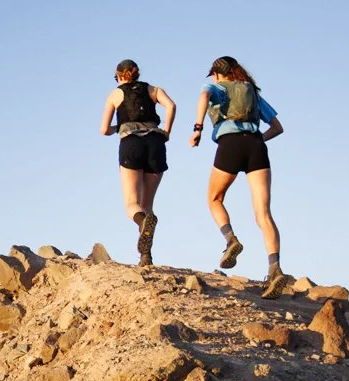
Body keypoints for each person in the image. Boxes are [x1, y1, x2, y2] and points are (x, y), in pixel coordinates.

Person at [188, 55, 286, 294]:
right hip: (256, 147)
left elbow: (203, 97)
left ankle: (231, 239)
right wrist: (255, 141)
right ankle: (275, 269)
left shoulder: (215, 86)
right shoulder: (251, 91)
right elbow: (277, 127)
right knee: (263, 214)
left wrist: (198, 128)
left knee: (214, 198)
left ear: (217, 73)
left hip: (229, 144)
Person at [99, 60, 178, 266]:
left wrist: (121, 127)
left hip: (131, 144)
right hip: (156, 143)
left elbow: (103, 129)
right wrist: (166, 132)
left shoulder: (116, 94)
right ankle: (146, 256)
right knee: (147, 204)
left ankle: (143, 223)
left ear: (120, 76)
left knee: (132, 204)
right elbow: (171, 106)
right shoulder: (153, 89)